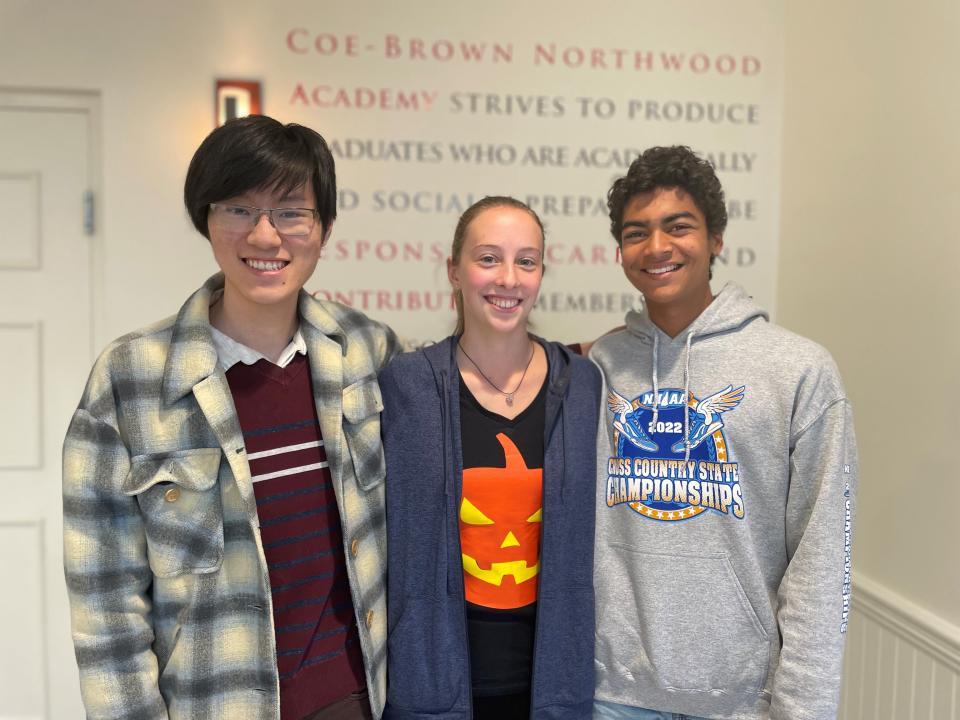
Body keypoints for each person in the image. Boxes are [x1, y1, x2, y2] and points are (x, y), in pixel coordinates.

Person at [62, 115, 399, 720]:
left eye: (292, 212)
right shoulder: (129, 379)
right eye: (239, 209)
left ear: (323, 230)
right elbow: (105, 604)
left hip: (357, 697)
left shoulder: (368, 351)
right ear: (206, 220)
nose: (265, 236)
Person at [590, 146, 858, 720]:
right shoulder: (601, 368)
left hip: (740, 702)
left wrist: (802, 709)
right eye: (637, 232)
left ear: (715, 239)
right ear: (621, 252)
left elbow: (821, 559)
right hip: (610, 695)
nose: (657, 247)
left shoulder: (798, 371)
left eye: (678, 226)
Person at [379, 197, 601, 719]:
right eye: (487, 258)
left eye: (526, 261)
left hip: (553, 692)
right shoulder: (405, 386)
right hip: (432, 690)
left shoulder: (583, 385)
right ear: (453, 270)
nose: (508, 278)